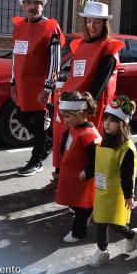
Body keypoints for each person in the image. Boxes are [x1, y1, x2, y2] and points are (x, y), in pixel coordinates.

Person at [11, 0, 65, 176]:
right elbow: (15, 57)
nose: (32, 6)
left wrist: (48, 87)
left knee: (39, 122)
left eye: (37, 3)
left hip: (41, 86)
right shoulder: (19, 27)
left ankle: (37, 160)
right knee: (21, 117)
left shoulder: (51, 27)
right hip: (23, 87)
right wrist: (13, 83)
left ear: (42, 6)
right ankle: (47, 140)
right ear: (23, 5)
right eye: (29, 3)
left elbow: (56, 62)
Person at [89, 95, 137, 266]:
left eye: (112, 120)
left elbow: (127, 174)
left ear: (123, 124)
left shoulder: (126, 148)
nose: (106, 123)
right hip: (103, 190)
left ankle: (132, 234)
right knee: (100, 221)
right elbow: (99, 163)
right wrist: (87, 172)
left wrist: (129, 195)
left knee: (115, 224)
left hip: (117, 193)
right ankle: (103, 251)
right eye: (106, 119)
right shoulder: (106, 140)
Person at [62, 0, 124, 130]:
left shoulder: (108, 48)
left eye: (97, 21)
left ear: (104, 24)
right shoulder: (80, 45)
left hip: (90, 108)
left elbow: (99, 84)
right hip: (74, 107)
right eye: (89, 21)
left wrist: (82, 107)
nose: (92, 26)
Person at [55, 91, 101, 242]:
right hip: (72, 173)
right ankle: (87, 211)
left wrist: (88, 172)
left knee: (82, 204)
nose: (65, 121)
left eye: (67, 117)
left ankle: (78, 232)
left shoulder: (88, 133)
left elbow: (96, 156)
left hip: (82, 176)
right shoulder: (75, 127)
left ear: (80, 113)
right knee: (74, 199)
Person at [50, 72, 68, 186]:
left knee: (63, 151)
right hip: (58, 126)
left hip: (65, 127)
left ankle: (62, 179)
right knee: (57, 151)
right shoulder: (57, 93)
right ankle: (58, 178)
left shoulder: (67, 96)